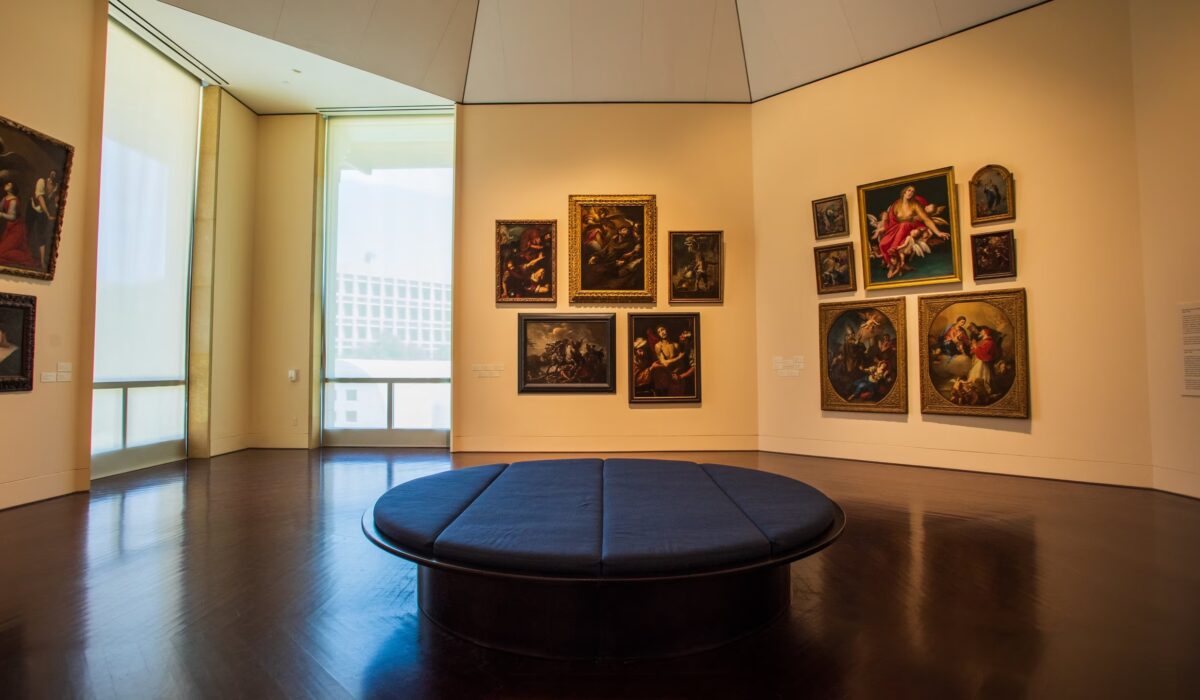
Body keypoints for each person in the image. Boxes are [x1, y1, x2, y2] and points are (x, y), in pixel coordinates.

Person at [871, 185, 950, 279]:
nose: (910, 193)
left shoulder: (915, 204)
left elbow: (926, 219)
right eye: (909, 190)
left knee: (904, 225)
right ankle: (891, 266)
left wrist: (938, 232)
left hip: (911, 225)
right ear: (904, 192)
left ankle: (893, 249)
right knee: (883, 244)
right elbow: (891, 220)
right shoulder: (896, 204)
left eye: (913, 191)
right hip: (895, 227)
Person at [0, 181, 37, 269]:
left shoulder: (13, 200)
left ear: (13, 188)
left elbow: (12, 217)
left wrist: (1, 214)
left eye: (9, 184)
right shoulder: (5, 198)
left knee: (2, 253)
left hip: (17, 229)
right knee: (2, 251)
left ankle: (25, 258)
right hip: (9, 228)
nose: (6, 185)